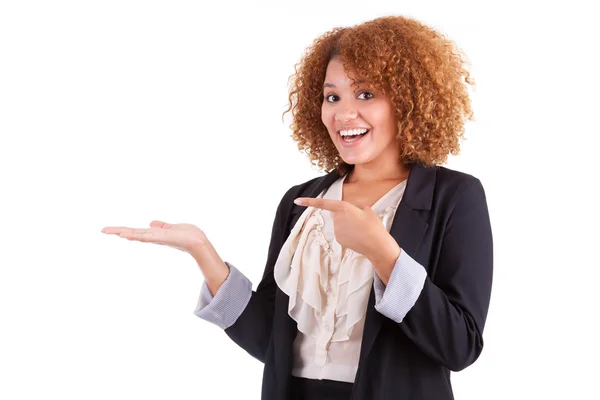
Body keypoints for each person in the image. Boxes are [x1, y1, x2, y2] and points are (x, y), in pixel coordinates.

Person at [101, 15, 493, 400]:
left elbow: (460, 346)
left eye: (366, 94)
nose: (343, 113)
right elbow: (267, 342)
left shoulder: (454, 197)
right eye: (332, 96)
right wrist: (203, 251)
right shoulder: (300, 203)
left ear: (406, 101)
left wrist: (383, 253)